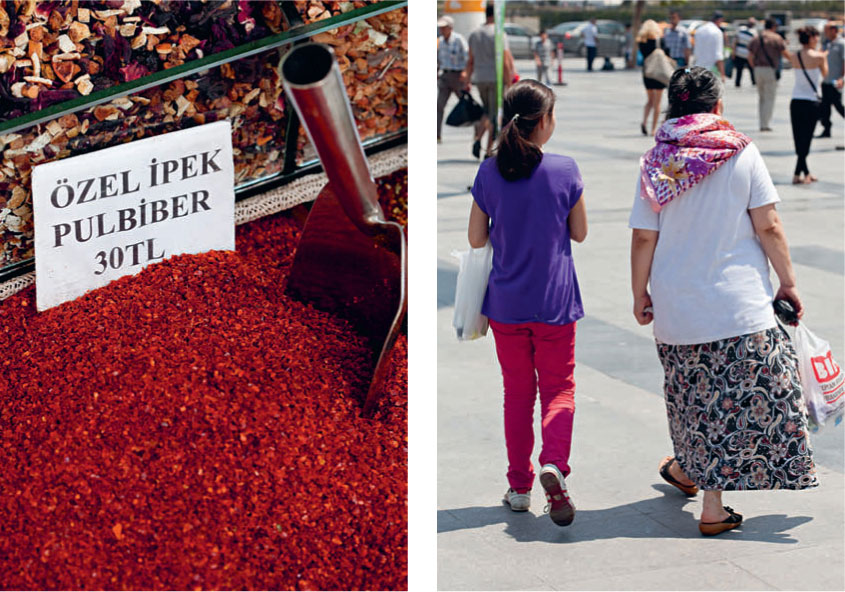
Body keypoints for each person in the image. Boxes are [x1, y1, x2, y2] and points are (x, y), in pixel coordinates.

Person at [629, 66, 818, 537]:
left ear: (673, 105)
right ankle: (708, 497)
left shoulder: (656, 160)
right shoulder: (740, 152)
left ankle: (696, 480)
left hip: (678, 305)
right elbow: (769, 224)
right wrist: (788, 282)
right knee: (752, 396)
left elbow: (642, 238)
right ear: (717, 106)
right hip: (739, 304)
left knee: (694, 400)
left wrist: (640, 292)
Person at [467, 80, 588, 527]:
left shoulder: (489, 170)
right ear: (545, 122)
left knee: (517, 394)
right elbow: (579, 233)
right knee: (559, 388)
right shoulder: (566, 169)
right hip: (555, 302)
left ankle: (519, 487)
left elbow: (476, 237)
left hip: (506, 303)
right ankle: (554, 464)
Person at [466, 4, 515, 159]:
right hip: (496, 78)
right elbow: (505, 61)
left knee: (487, 111)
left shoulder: (474, 34)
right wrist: (509, 82)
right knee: (494, 115)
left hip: (480, 78)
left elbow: (470, 60)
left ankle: (477, 139)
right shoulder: (500, 34)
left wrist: (468, 79)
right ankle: (488, 151)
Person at [788, 26, 828, 184]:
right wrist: (823, 57)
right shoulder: (819, 57)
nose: (817, 39)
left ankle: (802, 173)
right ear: (811, 38)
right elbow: (825, 75)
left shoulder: (794, 56)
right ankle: (799, 174)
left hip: (796, 100)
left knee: (798, 138)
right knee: (807, 138)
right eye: (816, 37)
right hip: (811, 101)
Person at [748, 19, 790, 131]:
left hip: (757, 69)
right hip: (770, 69)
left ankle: (762, 122)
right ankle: (765, 124)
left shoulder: (756, 38)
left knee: (761, 97)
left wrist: (754, 67)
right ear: (774, 26)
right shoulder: (776, 38)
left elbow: (750, 57)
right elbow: (785, 53)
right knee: (769, 98)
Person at [437, 15, 468, 143]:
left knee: (466, 103)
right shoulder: (439, 41)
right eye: (440, 28)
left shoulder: (459, 40)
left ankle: (478, 129)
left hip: (457, 75)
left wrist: (466, 73)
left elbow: (467, 56)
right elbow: (437, 58)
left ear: (450, 27)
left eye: (444, 28)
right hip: (444, 76)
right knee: (439, 105)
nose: (441, 30)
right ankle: (437, 135)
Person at [637, 20, 666, 136]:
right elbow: (666, 54)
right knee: (657, 103)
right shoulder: (659, 41)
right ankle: (653, 129)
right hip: (658, 73)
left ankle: (644, 122)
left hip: (647, 72)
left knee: (649, 100)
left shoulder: (641, 42)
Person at [818, 21, 844, 139]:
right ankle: (826, 129)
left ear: (834, 30)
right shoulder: (826, 44)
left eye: (827, 30)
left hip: (836, 81)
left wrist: (842, 78)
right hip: (826, 81)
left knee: (838, 105)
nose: (825, 33)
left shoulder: (841, 44)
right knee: (825, 107)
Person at [693, 11, 726, 80]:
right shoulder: (717, 32)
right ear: (720, 20)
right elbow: (718, 56)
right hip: (711, 71)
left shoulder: (699, 30)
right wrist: (723, 75)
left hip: (698, 69)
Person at [733, 18, 757, 87]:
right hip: (740, 54)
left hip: (748, 55)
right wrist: (734, 52)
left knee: (752, 71)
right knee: (739, 71)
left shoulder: (754, 32)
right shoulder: (741, 29)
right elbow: (735, 41)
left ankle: (754, 83)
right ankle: (737, 84)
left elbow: (754, 45)